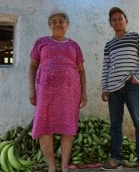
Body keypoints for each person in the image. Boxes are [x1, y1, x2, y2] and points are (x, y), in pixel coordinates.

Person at [28, 11, 87, 172]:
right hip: (45, 92)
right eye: (53, 21)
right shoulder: (41, 42)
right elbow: (33, 66)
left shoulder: (74, 45)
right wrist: (31, 90)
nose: (57, 24)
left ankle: (64, 166)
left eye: (61, 21)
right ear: (49, 25)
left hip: (70, 92)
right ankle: (52, 167)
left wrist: (84, 92)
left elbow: (81, 69)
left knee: (68, 128)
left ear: (67, 25)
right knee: (44, 126)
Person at [100, 7, 139, 172]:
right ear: (110, 24)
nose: (117, 22)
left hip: (132, 86)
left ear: (126, 20)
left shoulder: (136, 37)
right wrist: (105, 87)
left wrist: (136, 78)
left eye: (120, 18)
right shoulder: (109, 45)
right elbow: (106, 67)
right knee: (115, 125)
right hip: (113, 90)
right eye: (114, 20)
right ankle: (116, 158)